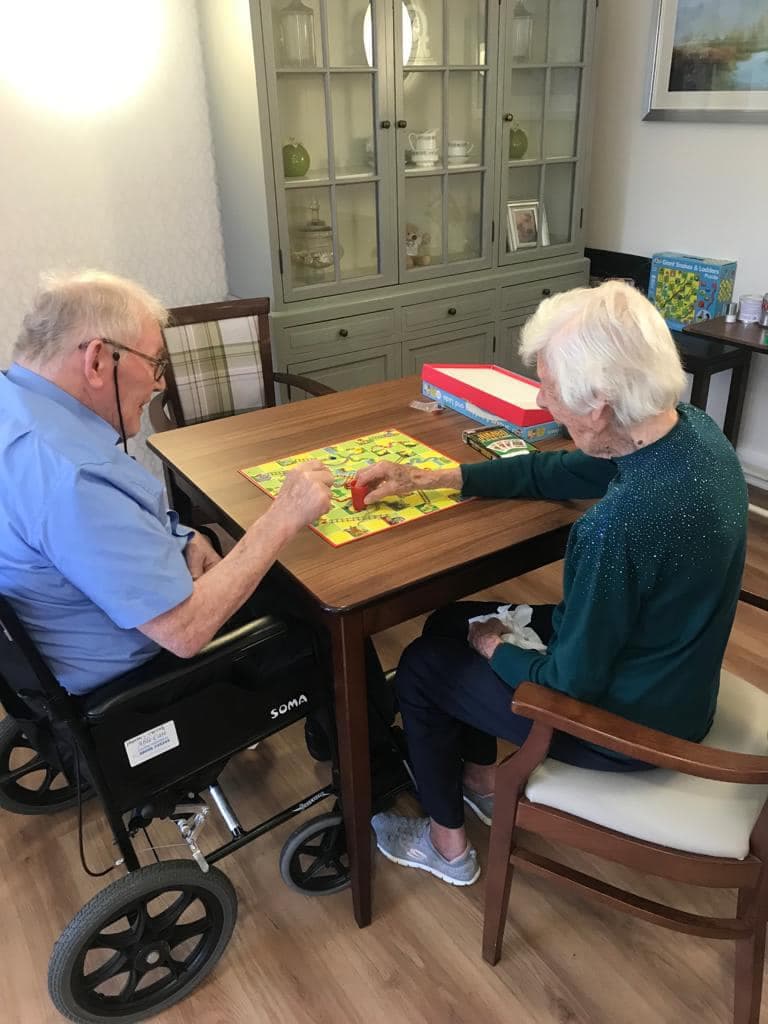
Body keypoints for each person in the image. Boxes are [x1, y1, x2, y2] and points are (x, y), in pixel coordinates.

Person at [354, 281, 748, 886]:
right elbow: (560, 467)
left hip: (627, 728)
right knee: (448, 621)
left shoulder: (618, 527)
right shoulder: (695, 435)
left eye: (551, 388)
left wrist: (495, 647)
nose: (541, 399)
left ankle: (447, 847)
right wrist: (434, 476)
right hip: (677, 684)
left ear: (598, 406)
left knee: (423, 668)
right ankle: (484, 783)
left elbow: (568, 685)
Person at [0, 270, 399, 777]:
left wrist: (184, 537)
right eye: (155, 363)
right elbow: (185, 632)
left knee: (241, 556)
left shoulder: (18, 407)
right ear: (98, 360)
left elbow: (105, 528)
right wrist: (282, 514)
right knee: (328, 611)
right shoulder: (69, 476)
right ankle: (377, 770)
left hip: (60, 647)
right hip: (136, 681)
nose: (161, 382)